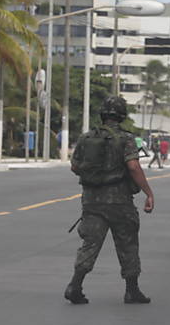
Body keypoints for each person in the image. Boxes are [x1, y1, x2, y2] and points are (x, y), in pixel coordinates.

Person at [66, 96, 155, 305]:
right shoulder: (126, 139)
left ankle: (75, 285)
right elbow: (133, 166)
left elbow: (74, 166)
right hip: (119, 202)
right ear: (122, 115)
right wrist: (148, 192)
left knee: (90, 244)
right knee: (127, 244)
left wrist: (96, 176)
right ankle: (132, 291)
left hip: (92, 201)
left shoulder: (86, 138)